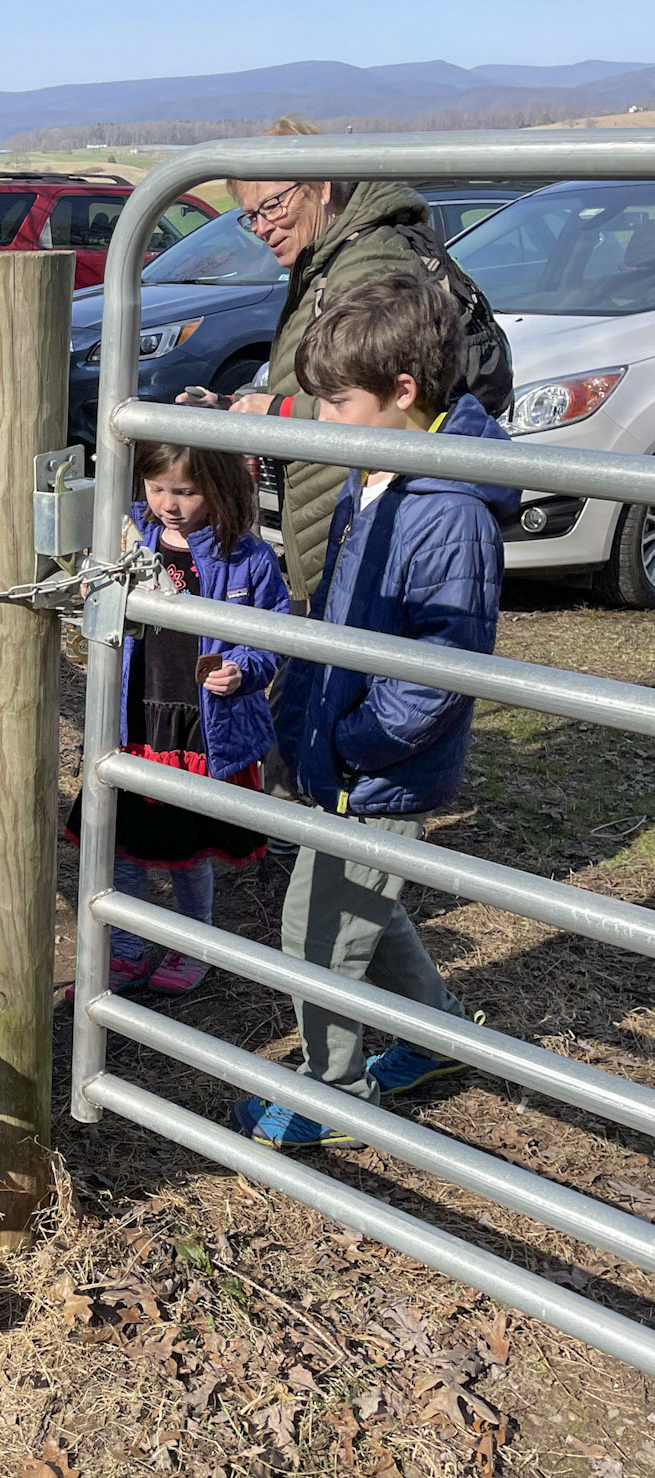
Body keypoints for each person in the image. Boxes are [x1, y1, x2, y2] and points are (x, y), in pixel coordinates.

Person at [233, 271, 514, 1151]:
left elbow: (436, 668)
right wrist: (303, 712)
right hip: (345, 756)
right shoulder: (382, 469)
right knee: (365, 913)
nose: (325, 422)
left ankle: (339, 1096)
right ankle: (443, 1036)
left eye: (339, 402)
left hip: (379, 769)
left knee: (315, 936)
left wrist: (350, 742)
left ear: (403, 392)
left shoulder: (448, 508)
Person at [178, 117, 467, 610]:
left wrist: (274, 414)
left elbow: (376, 404)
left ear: (321, 186)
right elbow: (322, 388)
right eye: (251, 216)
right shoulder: (326, 260)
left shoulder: (368, 264)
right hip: (329, 504)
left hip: (356, 510)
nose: (263, 226)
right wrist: (241, 405)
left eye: (272, 204)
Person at [64, 442, 289, 997]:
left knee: (187, 855)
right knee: (122, 842)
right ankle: (126, 951)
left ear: (220, 486)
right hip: (136, 717)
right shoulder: (124, 540)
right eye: (156, 487)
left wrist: (241, 668)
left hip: (200, 727)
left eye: (186, 491)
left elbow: (273, 636)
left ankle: (194, 942)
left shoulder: (248, 557)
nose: (168, 503)